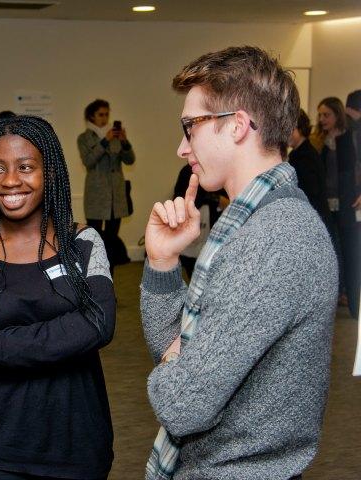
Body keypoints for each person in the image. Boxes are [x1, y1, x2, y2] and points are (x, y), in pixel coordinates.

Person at [142, 46, 337, 480]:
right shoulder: (252, 223)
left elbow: (182, 404)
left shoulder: (275, 237)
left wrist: (180, 364)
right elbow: (171, 349)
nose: (181, 146)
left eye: (189, 126)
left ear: (237, 126)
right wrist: (161, 263)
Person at [0, 115, 116, 479]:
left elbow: (97, 324)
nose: (11, 180)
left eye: (26, 167)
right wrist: (55, 337)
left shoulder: (83, 245)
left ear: (50, 173)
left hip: (76, 447)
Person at [78, 99, 135, 269]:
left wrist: (124, 141)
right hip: (96, 195)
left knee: (111, 241)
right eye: (101, 115)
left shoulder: (115, 136)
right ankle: (95, 275)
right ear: (91, 117)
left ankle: (110, 277)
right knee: (95, 239)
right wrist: (104, 141)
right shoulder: (84, 138)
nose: (105, 118)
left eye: (107, 114)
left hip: (115, 196)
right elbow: (88, 161)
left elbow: (130, 160)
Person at [317, 96, 360, 318]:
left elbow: (355, 167)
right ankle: (335, 300)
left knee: (351, 253)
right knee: (333, 254)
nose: (322, 119)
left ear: (337, 114)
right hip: (328, 206)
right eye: (320, 115)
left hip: (348, 204)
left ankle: (355, 306)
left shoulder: (350, 137)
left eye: (327, 115)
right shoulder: (320, 140)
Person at [172, 164, 227, 278]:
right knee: (193, 272)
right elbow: (179, 196)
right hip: (192, 231)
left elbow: (229, 201)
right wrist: (214, 199)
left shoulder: (224, 168)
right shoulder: (187, 170)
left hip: (217, 229)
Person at [288, 108, 331, 225]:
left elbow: (311, 193)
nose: (286, 134)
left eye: (290, 129)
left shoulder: (305, 157)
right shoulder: (300, 153)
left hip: (315, 219)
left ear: (300, 128)